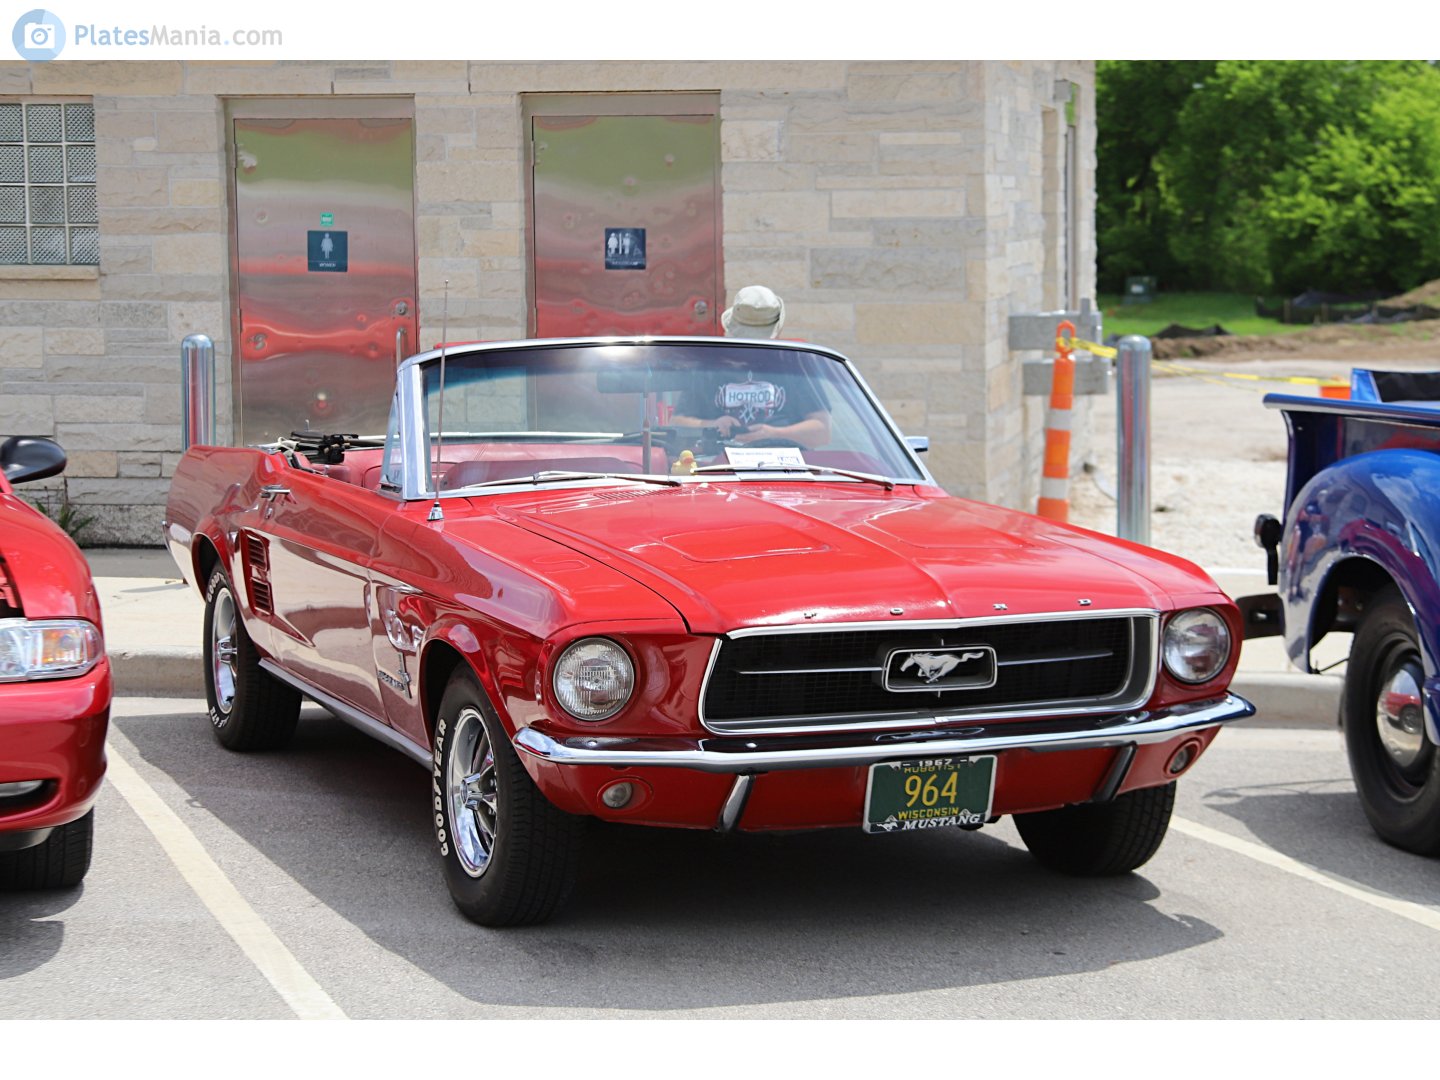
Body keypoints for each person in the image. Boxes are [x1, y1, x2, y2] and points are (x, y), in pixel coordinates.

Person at [669, 286, 831, 449]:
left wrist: (775, 434)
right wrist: (713, 425)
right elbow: (677, 422)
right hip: (718, 467)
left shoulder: (794, 362)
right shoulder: (710, 365)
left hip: (784, 467)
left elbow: (822, 431)